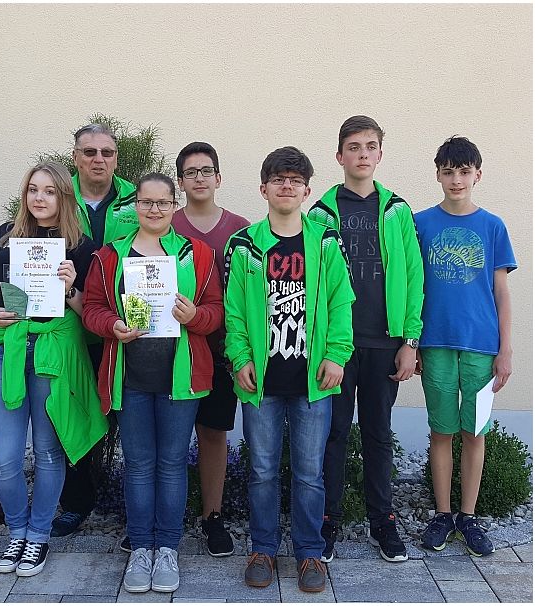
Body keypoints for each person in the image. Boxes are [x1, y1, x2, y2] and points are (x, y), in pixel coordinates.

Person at [82, 173, 223, 593]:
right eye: (147, 202)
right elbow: (92, 309)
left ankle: (167, 549)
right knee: (139, 464)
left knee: (172, 463)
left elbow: (216, 311)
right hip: (131, 380)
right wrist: (112, 325)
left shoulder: (196, 254)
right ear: (136, 206)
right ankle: (141, 548)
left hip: (180, 380)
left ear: (174, 205)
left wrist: (194, 317)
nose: (155, 209)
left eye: (163, 202)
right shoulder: (111, 256)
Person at [0, 161, 107, 578]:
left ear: (63, 196)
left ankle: (38, 536)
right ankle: (17, 532)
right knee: (2, 459)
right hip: (7, 350)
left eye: (48, 191)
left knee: (48, 451)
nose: (39, 198)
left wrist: (71, 287)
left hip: (54, 352)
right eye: (33, 190)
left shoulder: (80, 245)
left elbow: (92, 312)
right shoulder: (7, 236)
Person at [225, 147, 354, 593]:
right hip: (261, 381)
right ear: (263, 188)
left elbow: (341, 302)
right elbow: (234, 310)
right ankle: (262, 549)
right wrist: (240, 357)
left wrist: (336, 354)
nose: (286, 186)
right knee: (261, 471)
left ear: (307, 190)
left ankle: (309, 553)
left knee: (309, 473)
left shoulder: (326, 241)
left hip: (313, 381)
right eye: (278, 179)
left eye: (295, 180)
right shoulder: (244, 244)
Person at [309, 115, 424, 563]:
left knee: (378, 433)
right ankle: (328, 520)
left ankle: (383, 522)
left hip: (384, 343)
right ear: (339, 156)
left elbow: (413, 277)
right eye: (353, 147)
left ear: (379, 154)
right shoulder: (320, 214)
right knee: (333, 434)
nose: (362, 154)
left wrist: (410, 341)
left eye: (369, 146)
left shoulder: (397, 210)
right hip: (336, 347)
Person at [415, 136, 516, 557]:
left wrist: (506, 349)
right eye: (448, 171)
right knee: (442, 430)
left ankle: (468, 516)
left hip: (481, 346)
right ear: (438, 175)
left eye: (464, 171)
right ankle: (442, 514)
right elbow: (412, 287)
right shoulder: (420, 224)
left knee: (474, 432)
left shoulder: (493, 226)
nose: (456, 179)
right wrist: (411, 342)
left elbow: (501, 292)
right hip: (435, 342)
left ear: (478, 174)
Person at [52, 123, 139, 538]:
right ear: (75, 157)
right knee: (74, 415)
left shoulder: (136, 198)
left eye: (107, 152)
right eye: (89, 152)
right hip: (71, 331)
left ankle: (133, 506)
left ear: (117, 158)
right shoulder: (57, 195)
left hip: (126, 330)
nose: (98, 159)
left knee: (130, 421)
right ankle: (76, 503)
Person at [171, 141, 249, 557]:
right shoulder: (165, 224)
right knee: (166, 436)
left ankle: (212, 515)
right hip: (171, 351)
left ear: (218, 178)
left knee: (213, 432)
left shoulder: (241, 229)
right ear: (180, 181)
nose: (199, 178)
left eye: (206, 171)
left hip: (221, 351)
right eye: (190, 172)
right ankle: (161, 517)